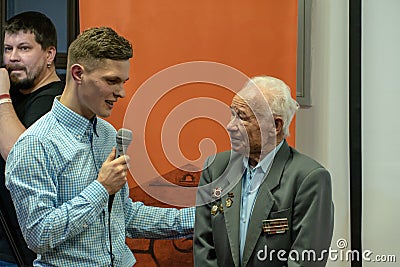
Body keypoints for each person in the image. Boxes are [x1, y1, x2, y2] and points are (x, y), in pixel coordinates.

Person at [5, 26, 194, 267]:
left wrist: (202, 218)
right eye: (112, 81)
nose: (122, 92)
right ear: (77, 74)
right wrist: (101, 188)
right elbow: (40, 235)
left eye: (123, 81)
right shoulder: (35, 144)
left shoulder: (107, 134)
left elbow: (124, 215)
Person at [193, 76, 334, 267]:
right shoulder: (216, 168)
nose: (230, 126)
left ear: (275, 126)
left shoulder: (309, 179)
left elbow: (305, 261)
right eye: (232, 114)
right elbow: (204, 249)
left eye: (242, 117)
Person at [0, 11, 64, 266]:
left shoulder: (55, 101)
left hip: (23, 251)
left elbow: (19, 155)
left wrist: (1, 97)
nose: (12, 58)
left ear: (49, 54)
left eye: (24, 48)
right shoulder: (13, 95)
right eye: (7, 49)